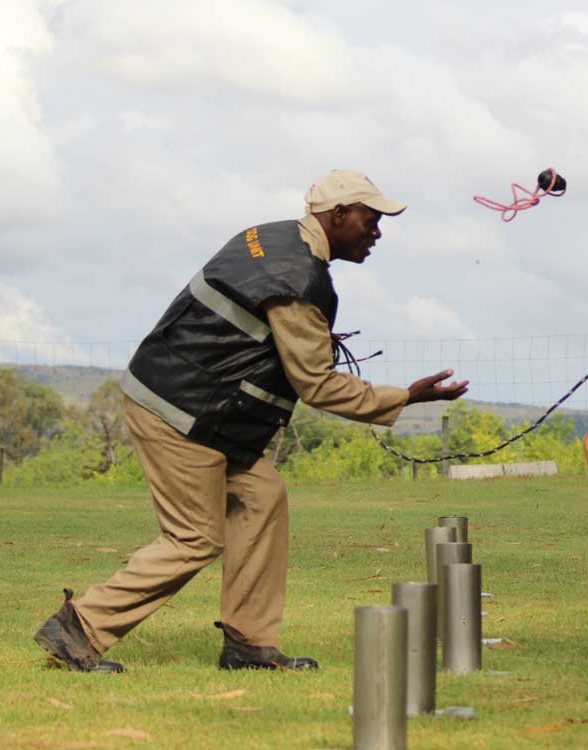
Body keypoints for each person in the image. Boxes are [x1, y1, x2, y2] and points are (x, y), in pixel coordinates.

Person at [34, 170, 469, 673]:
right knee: (193, 538)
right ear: (339, 216)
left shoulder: (268, 237)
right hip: (180, 412)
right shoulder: (299, 280)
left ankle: (247, 645)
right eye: (370, 221)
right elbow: (317, 384)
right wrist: (404, 398)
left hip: (197, 404)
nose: (377, 233)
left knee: (262, 497)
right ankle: (78, 629)